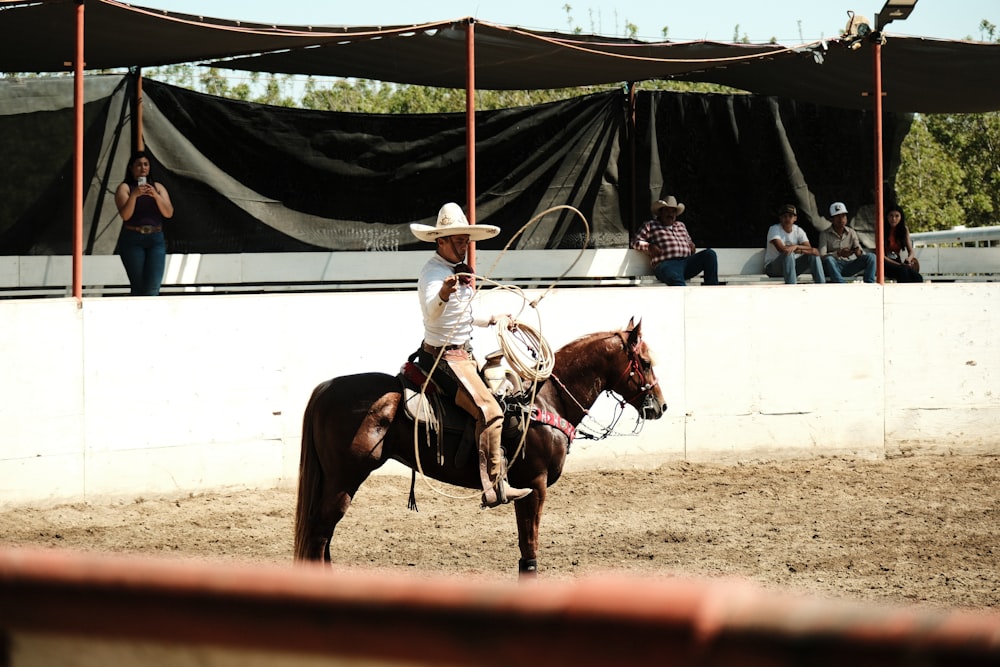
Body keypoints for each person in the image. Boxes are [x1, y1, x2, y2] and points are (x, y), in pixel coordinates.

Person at [410, 203, 532, 508]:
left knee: (506, 393)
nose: (465, 246)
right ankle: (494, 484)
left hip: (464, 354)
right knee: (491, 411)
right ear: (442, 241)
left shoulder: (460, 274)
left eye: (466, 240)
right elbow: (431, 313)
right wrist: (443, 294)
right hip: (444, 358)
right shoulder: (433, 273)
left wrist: (496, 318)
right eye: (459, 240)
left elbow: (469, 313)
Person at [114, 150, 174, 295]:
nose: (143, 168)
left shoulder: (158, 187)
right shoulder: (125, 188)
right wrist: (134, 195)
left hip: (155, 238)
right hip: (133, 238)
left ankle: (150, 316)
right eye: (139, 165)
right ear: (131, 168)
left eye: (146, 164)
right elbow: (126, 215)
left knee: (153, 287)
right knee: (138, 286)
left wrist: (155, 196)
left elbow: (168, 213)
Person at [631, 196, 719, 286]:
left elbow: (689, 241)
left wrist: (691, 245)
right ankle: (685, 297)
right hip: (666, 264)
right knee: (676, 278)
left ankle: (712, 290)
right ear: (660, 212)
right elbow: (635, 241)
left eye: (673, 211)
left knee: (709, 254)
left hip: (686, 262)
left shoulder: (681, 225)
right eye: (667, 211)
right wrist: (649, 246)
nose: (670, 214)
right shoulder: (651, 225)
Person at [763, 204, 826, 284]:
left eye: (790, 216)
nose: (787, 219)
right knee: (788, 253)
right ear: (780, 218)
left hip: (791, 267)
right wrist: (799, 249)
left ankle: (821, 285)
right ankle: (792, 287)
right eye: (784, 216)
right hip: (773, 269)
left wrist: (795, 246)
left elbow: (809, 248)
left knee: (813, 255)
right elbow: (782, 249)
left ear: (795, 218)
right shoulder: (774, 229)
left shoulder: (798, 230)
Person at [819, 202, 876, 283]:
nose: (841, 219)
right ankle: (841, 284)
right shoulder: (824, 234)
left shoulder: (851, 232)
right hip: (834, 266)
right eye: (837, 216)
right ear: (831, 219)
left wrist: (858, 252)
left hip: (848, 265)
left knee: (871, 257)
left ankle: (869, 284)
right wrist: (838, 254)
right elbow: (822, 256)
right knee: (829, 259)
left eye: (843, 216)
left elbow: (859, 250)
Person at [883, 204, 924, 283]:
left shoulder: (903, 230)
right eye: (891, 216)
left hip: (898, 262)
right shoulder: (882, 229)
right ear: (886, 217)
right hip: (885, 263)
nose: (893, 219)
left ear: (901, 217)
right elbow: (881, 255)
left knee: (917, 277)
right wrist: (901, 265)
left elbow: (911, 251)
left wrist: (908, 259)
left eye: (897, 216)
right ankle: (902, 294)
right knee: (903, 271)